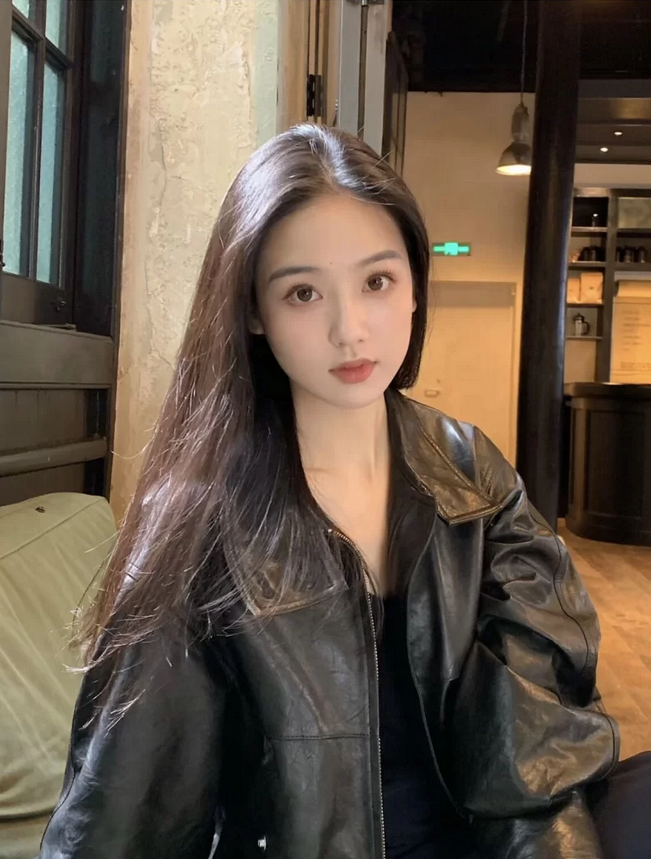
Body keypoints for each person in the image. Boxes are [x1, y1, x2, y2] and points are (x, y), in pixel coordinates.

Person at [40, 124, 650, 859]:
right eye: (303, 293)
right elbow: (123, 818)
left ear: (415, 285)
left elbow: (535, 760)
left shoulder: (472, 476)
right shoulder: (201, 524)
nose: (350, 330)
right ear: (253, 312)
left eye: (376, 281)